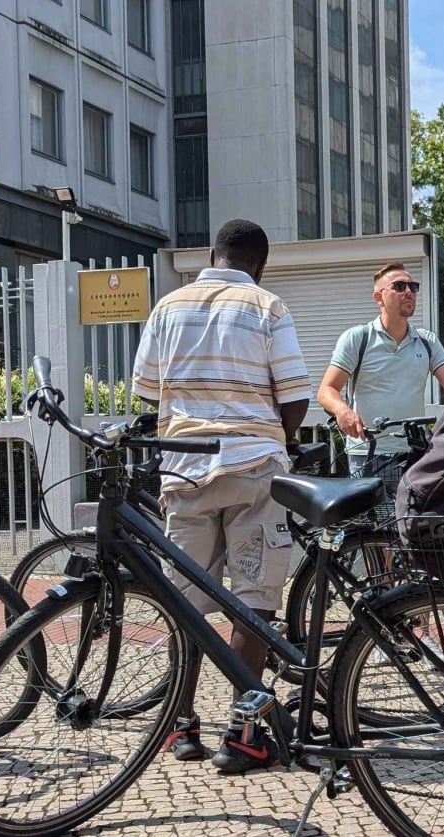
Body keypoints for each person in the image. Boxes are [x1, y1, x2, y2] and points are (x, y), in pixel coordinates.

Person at [131, 219, 310, 774]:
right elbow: (296, 394)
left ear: (213, 255)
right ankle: (244, 732)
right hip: (253, 467)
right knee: (253, 601)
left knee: (185, 603)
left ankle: (181, 726)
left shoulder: (168, 307)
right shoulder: (268, 307)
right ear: (261, 263)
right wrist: (283, 438)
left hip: (184, 470)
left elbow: (144, 390)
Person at [317, 263, 444, 475]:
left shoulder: (427, 341)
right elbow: (327, 390)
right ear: (378, 297)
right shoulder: (358, 338)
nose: (408, 292)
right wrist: (343, 411)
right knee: (373, 510)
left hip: (414, 455)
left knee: (412, 509)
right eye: (399, 286)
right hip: (367, 453)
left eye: (413, 287)